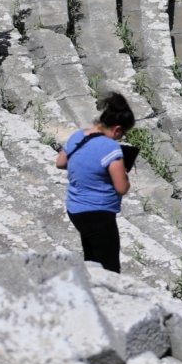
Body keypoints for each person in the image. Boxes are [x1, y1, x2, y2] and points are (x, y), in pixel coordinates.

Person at [56, 92, 135, 273]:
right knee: (109, 268)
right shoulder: (110, 148)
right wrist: (124, 174)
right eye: (123, 133)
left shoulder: (78, 136)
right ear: (116, 129)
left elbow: (60, 163)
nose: (121, 138)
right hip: (98, 213)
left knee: (91, 260)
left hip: (76, 209)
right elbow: (121, 188)